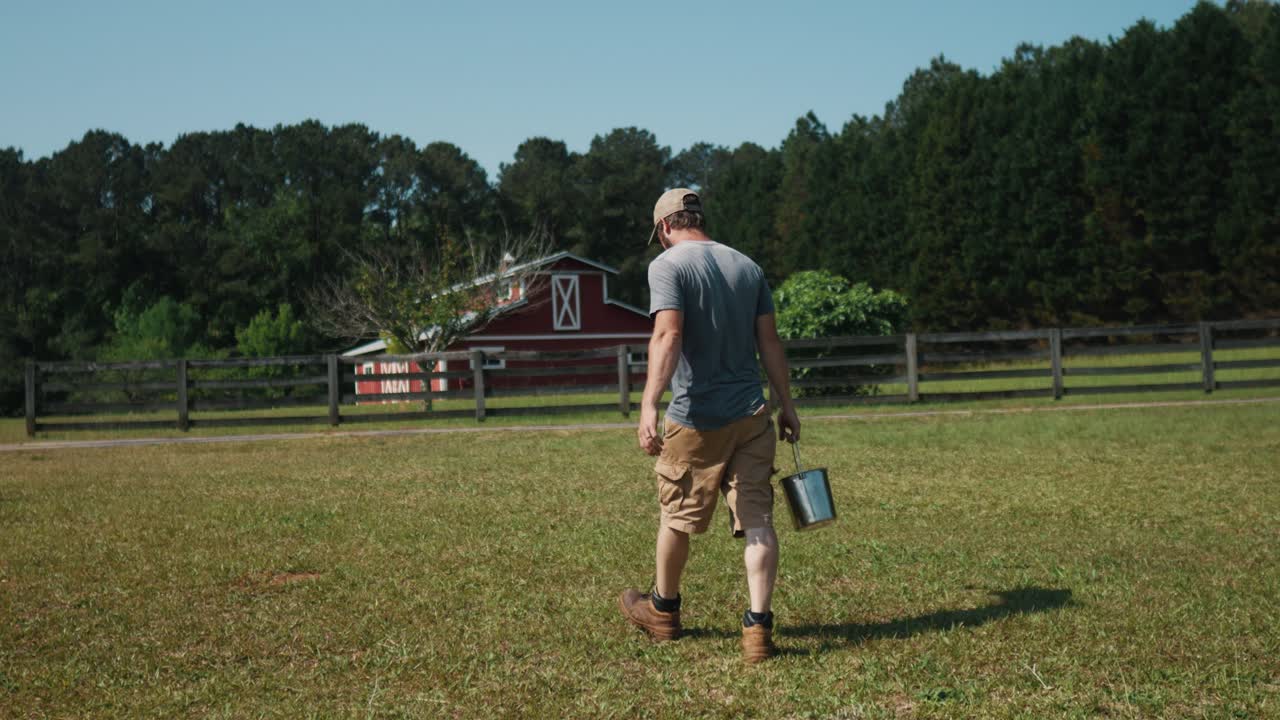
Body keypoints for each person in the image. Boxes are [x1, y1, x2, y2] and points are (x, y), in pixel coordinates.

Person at [618, 187, 801, 664]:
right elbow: (770, 343)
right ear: (698, 218)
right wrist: (788, 405)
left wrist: (647, 406)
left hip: (696, 418)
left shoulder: (667, 266)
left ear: (664, 227)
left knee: (677, 515)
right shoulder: (748, 266)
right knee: (758, 520)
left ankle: (663, 611)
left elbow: (669, 333)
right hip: (753, 415)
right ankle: (758, 629)